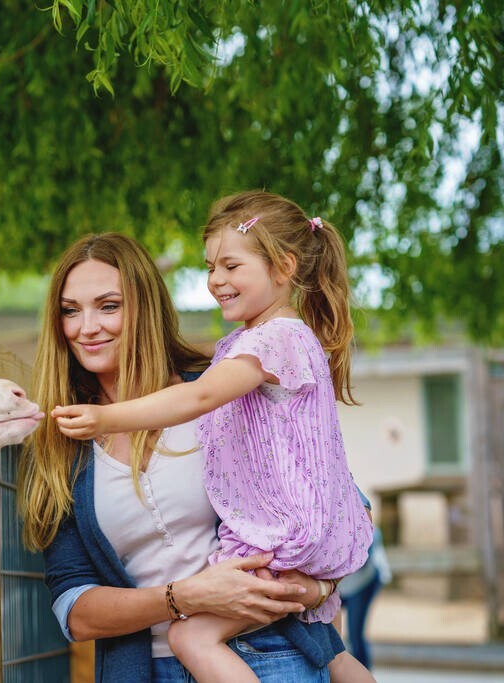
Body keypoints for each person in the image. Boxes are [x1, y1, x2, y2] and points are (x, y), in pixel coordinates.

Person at [53, 191, 375, 683]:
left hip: (268, 650)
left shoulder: (220, 386)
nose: (88, 327)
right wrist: (182, 597)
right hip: (148, 669)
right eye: (71, 310)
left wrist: (315, 589)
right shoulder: (64, 442)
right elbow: (73, 607)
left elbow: (338, 498)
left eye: (109, 305)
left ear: (145, 307)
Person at [338, 527, 392, 670]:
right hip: (343, 584)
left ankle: (363, 671)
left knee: (355, 632)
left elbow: (363, 560)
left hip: (363, 581)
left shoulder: (361, 521)